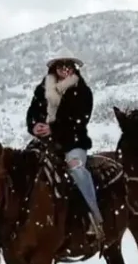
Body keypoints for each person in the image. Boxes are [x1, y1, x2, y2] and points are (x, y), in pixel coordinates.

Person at [25, 49, 103, 237]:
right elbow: (33, 112)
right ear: (54, 68)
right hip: (45, 142)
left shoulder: (82, 91)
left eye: (69, 65)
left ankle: (94, 216)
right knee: (25, 166)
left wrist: (54, 128)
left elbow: (79, 120)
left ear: (74, 68)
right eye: (61, 65)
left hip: (73, 142)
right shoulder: (43, 89)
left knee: (76, 169)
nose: (65, 69)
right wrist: (34, 126)